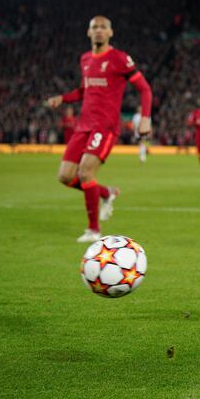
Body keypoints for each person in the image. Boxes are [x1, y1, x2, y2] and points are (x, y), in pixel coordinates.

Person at [45, 16, 152, 242]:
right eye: (95, 27)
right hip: (83, 126)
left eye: (103, 27)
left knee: (85, 172)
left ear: (111, 33)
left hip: (105, 127)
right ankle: (106, 193)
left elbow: (145, 89)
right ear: (88, 32)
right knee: (64, 176)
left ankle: (93, 231)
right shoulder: (85, 59)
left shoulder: (119, 59)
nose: (99, 31)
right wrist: (62, 99)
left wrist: (145, 118)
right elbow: (84, 91)